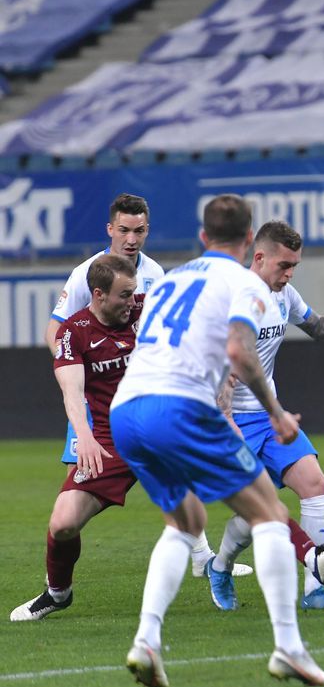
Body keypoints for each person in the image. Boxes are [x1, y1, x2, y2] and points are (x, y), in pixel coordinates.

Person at [110, 194, 324, 687]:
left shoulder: (170, 278)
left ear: (203, 237)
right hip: (183, 408)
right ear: (248, 243)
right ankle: (289, 648)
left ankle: (146, 642)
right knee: (269, 513)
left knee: (186, 521)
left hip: (127, 411)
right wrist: (278, 413)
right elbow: (239, 351)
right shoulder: (246, 284)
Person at [43, 193, 241, 580]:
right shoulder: (88, 274)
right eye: (124, 231)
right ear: (110, 230)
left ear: (147, 230)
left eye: (139, 231)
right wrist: (78, 366)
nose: (131, 239)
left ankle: (202, 558)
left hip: (145, 404)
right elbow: (57, 329)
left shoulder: (155, 274)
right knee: (73, 502)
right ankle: (56, 576)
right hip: (95, 406)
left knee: (176, 469)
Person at [206, 220, 324, 612]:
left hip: (268, 416)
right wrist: (228, 428)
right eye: (284, 265)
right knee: (257, 511)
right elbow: (223, 375)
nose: (289, 274)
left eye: (295, 265)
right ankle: (220, 566)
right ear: (258, 257)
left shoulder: (284, 295)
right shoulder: (234, 301)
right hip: (228, 421)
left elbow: (318, 328)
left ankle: (314, 591)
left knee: (315, 484)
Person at [11, 256, 143, 620]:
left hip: (159, 431)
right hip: (109, 440)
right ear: (98, 295)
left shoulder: (148, 313)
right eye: (124, 296)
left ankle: (307, 555)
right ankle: (57, 592)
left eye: (134, 294)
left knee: (235, 486)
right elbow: (72, 392)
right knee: (63, 523)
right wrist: (84, 436)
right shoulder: (74, 332)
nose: (132, 303)